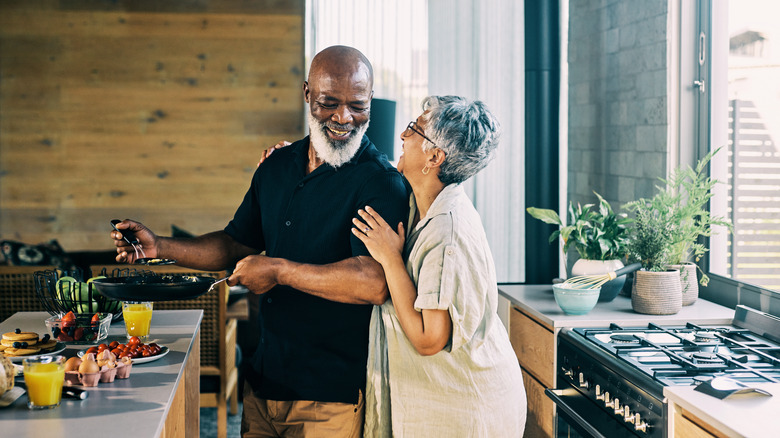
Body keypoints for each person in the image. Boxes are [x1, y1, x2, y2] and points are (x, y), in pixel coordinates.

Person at [110, 45, 409, 438]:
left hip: (329, 397)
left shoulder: (380, 182)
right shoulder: (277, 167)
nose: (343, 117)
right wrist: (160, 248)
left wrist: (279, 270)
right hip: (264, 383)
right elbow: (236, 243)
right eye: (328, 103)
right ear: (306, 94)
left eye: (358, 105)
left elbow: (373, 282)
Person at [352, 96, 527, 437]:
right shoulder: (425, 200)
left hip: (469, 408)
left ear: (434, 156)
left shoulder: (448, 231)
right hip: (455, 398)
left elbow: (429, 338)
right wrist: (297, 156)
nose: (402, 135)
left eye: (414, 128)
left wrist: (390, 259)